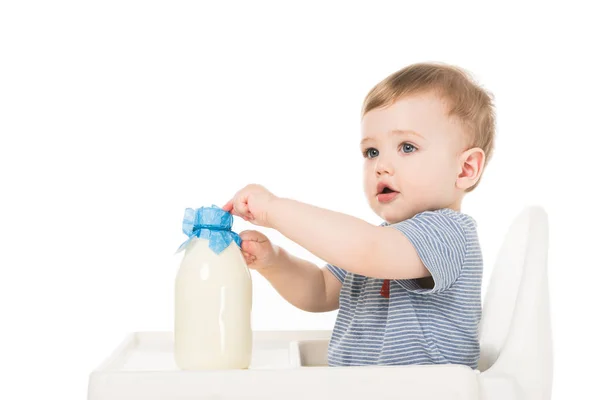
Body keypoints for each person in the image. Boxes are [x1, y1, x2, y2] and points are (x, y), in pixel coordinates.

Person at [223, 62, 495, 368]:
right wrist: (274, 261)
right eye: (372, 152)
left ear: (465, 168)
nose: (381, 165)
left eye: (407, 147)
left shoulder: (447, 233)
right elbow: (320, 290)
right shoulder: (382, 242)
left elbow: (365, 249)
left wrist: (273, 209)